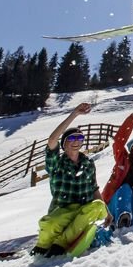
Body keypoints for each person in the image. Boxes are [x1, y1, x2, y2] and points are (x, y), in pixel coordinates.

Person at [32, 103, 110, 257]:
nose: (76, 141)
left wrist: (106, 212)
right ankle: (44, 245)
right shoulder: (57, 163)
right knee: (50, 224)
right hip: (62, 210)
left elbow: (94, 188)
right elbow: (52, 140)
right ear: (64, 144)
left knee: (98, 206)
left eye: (80, 138)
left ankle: (60, 244)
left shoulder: (88, 163)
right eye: (72, 138)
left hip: (84, 211)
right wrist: (74, 114)